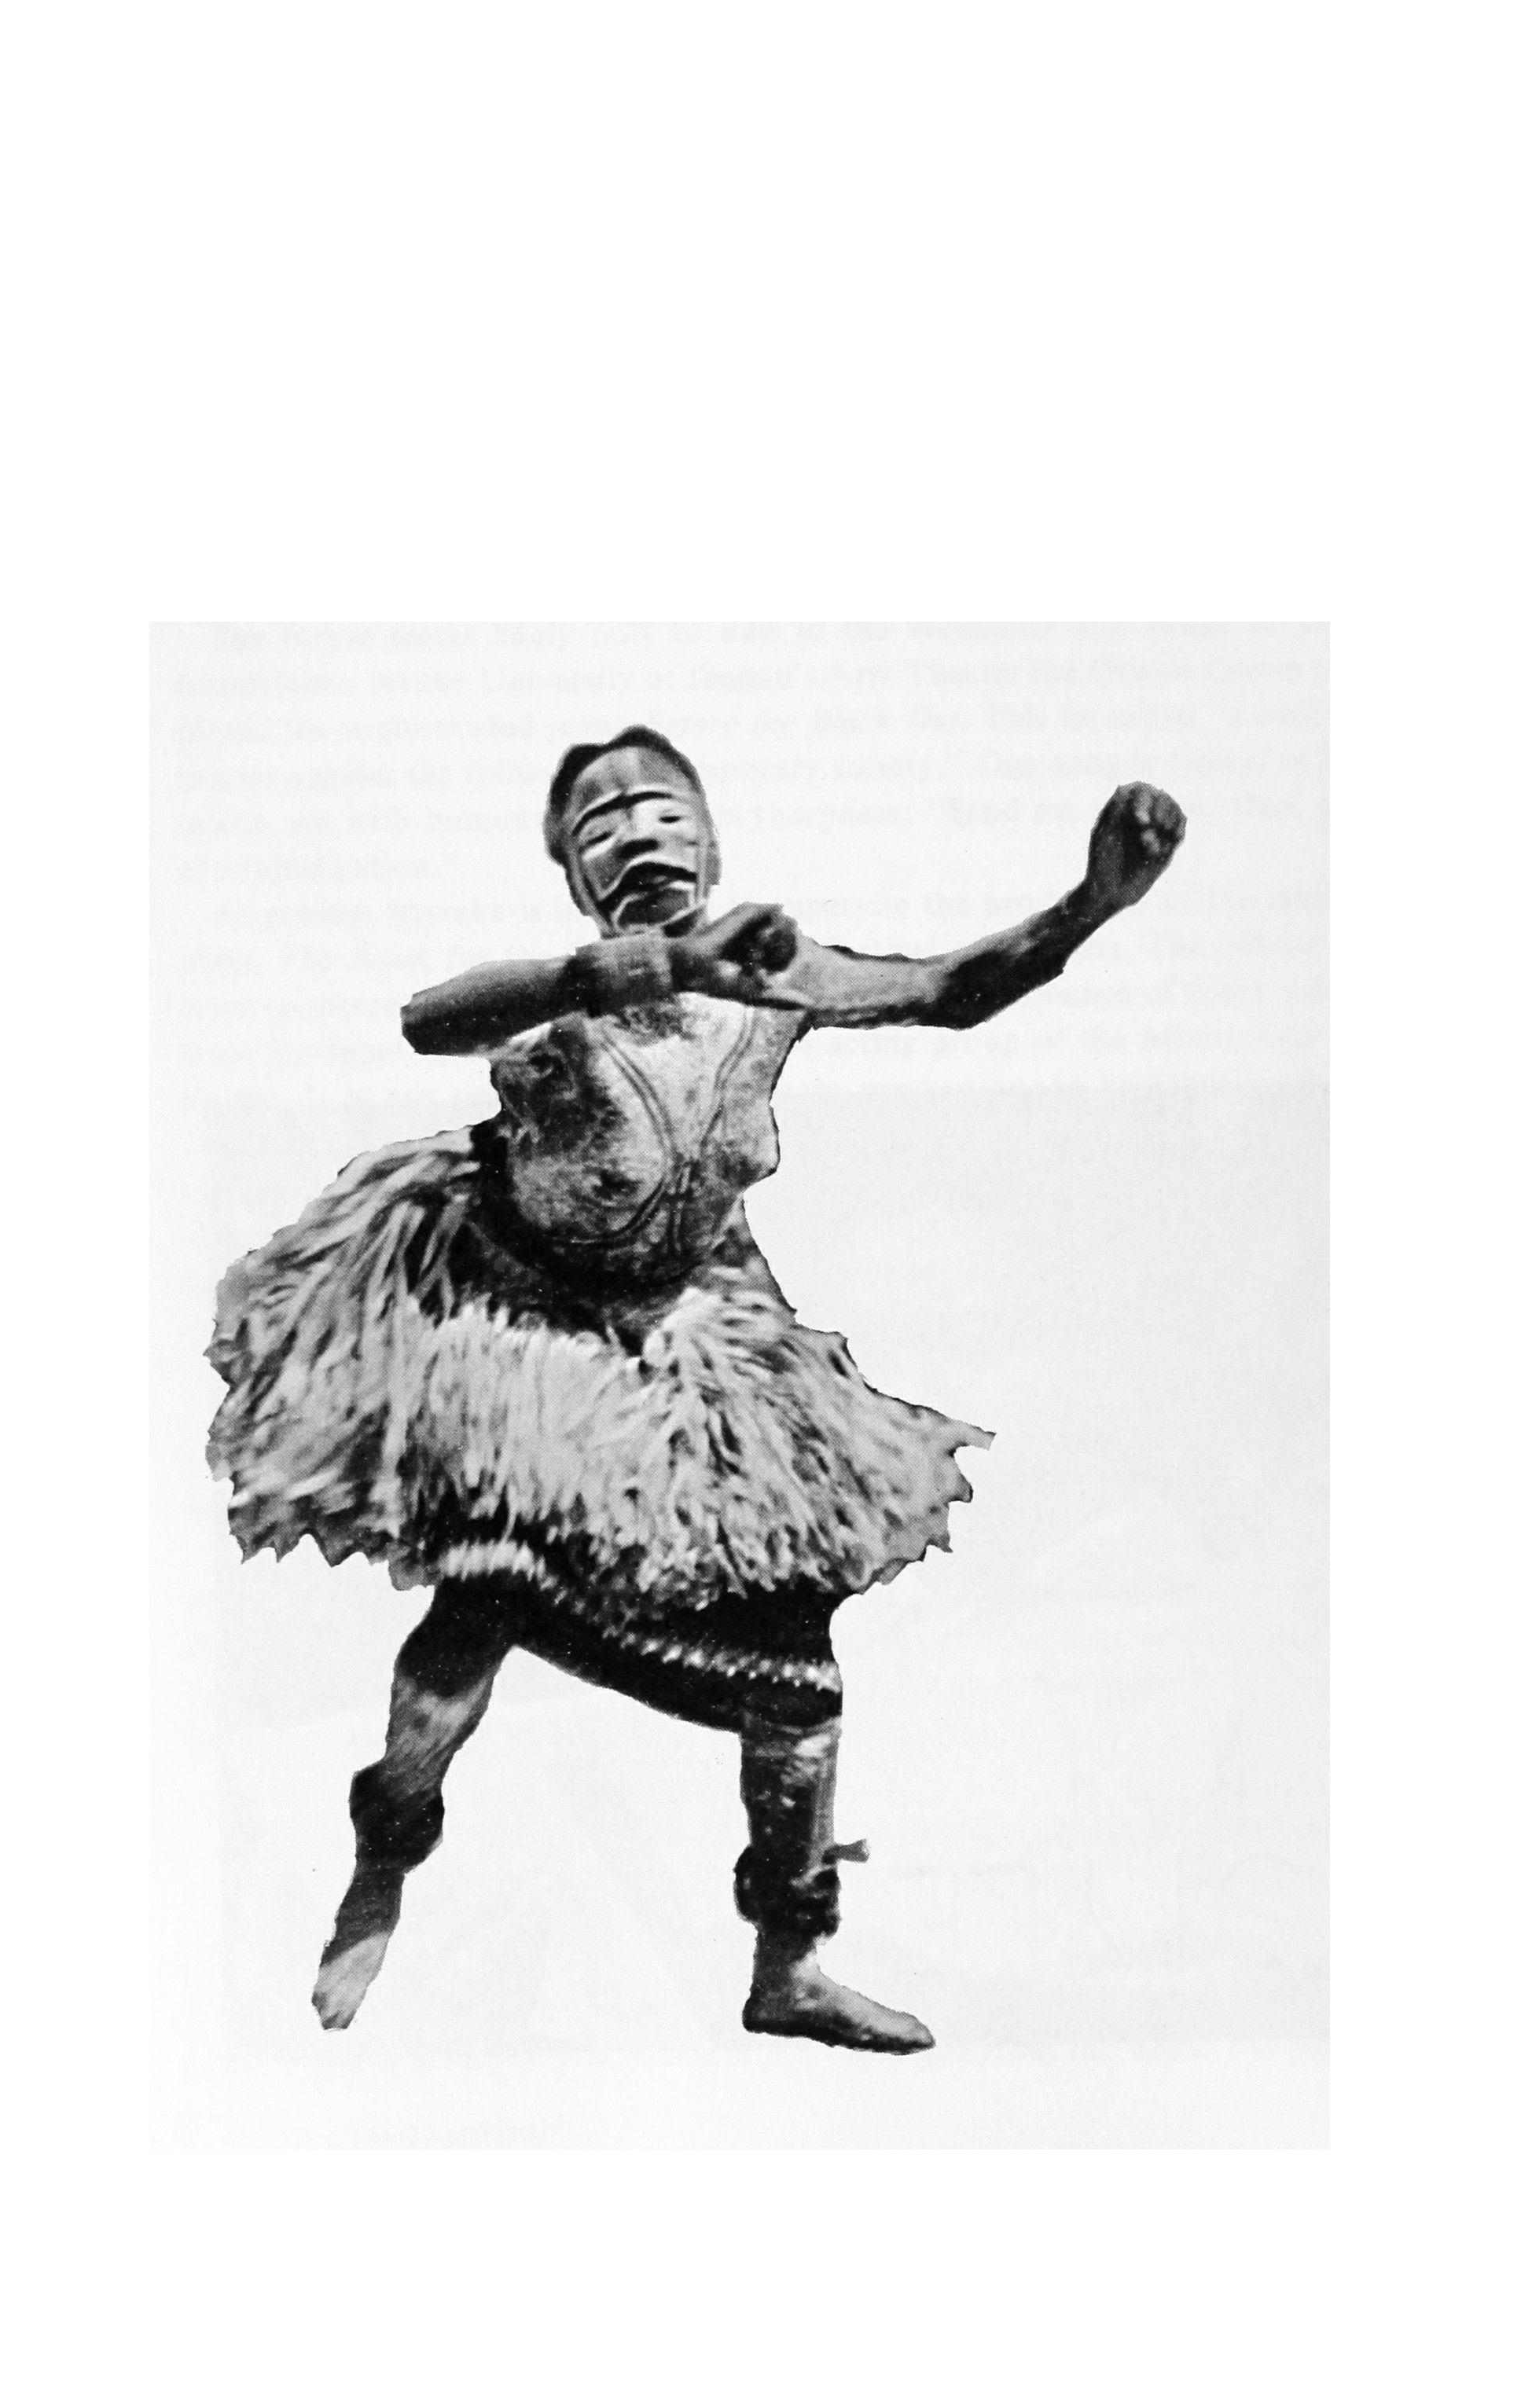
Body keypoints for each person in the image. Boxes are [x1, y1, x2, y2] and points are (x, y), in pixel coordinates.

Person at [208, 727, 1185, 2052]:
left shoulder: (778, 977)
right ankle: (381, 1867)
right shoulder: (561, 998)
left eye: (663, 811)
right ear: (576, 878)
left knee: (799, 1685)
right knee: (480, 1604)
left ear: (712, 846)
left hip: (696, 1341)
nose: (637, 831)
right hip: (510, 1326)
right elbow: (430, 1017)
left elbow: (950, 989)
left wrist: (1091, 902)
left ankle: (788, 1967)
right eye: (600, 822)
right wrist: (632, 970)